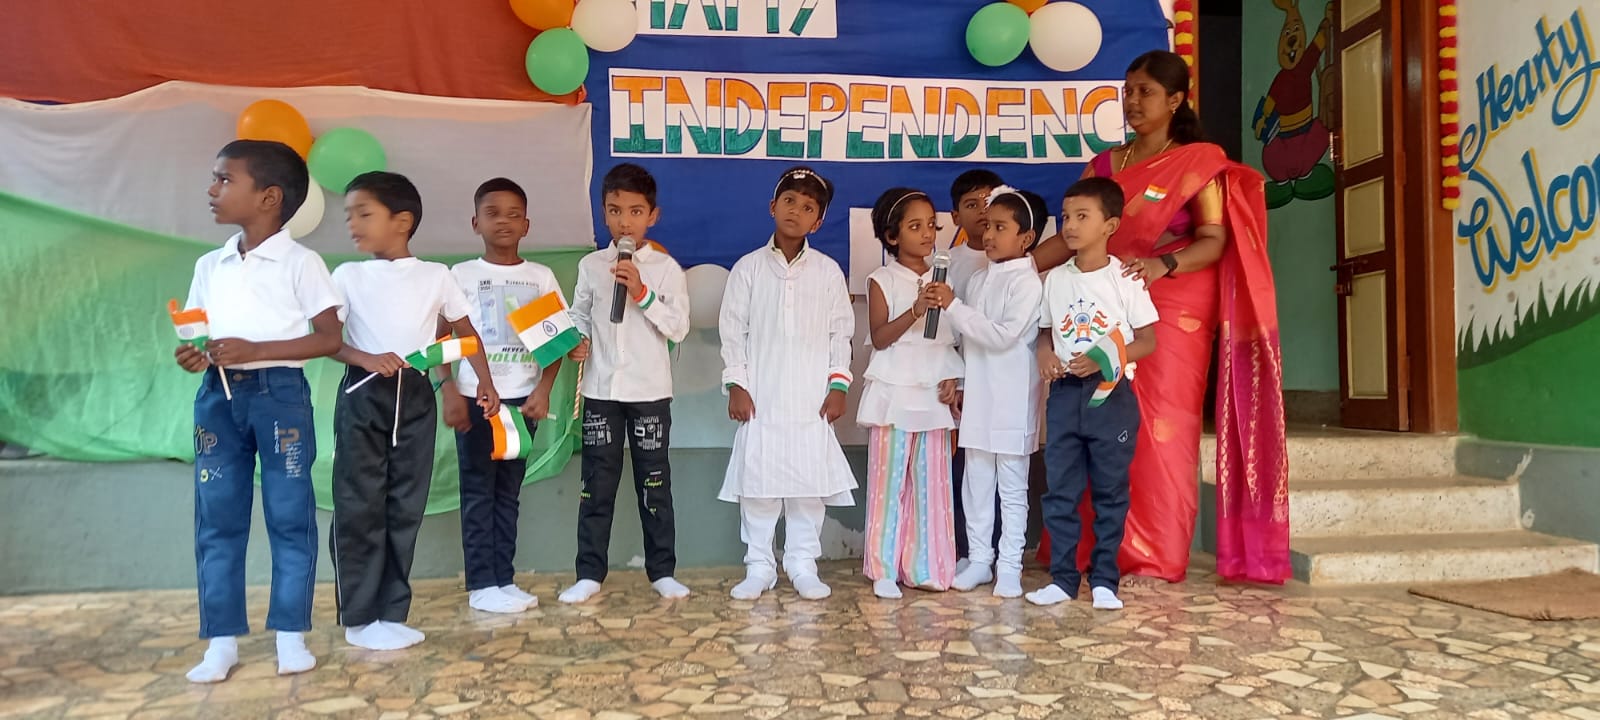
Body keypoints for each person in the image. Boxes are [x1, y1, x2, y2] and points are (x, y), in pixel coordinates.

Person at [1031, 50, 1289, 584]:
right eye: (1127, 90)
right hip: (1098, 301)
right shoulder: (1104, 165)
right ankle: (1090, 551)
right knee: (1093, 416)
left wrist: (1161, 265)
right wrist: (1014, 271)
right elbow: (1073, 236)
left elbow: (1214, 240)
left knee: (1162, 427)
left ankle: (1155, 555)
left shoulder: (1198, 162)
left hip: (1172, 302)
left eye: (1145, 91)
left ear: (1175, 100)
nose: (1132, 101)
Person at [178, 139, 342, 683]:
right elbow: (199, 334)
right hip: (218, 397)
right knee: (217, 518)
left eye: (225, 179)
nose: (212, 189)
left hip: (280, 398)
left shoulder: (302, 262)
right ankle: (221, 642)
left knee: (290, 515)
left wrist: (257, 350)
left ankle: (290, 635)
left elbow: (328, 337)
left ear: (269, 197)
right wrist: (193, 355)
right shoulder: (210, 264)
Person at [330, 171, 500, 650]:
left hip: (417, 395)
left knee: (405, 504)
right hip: (364, 393)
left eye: (364, 213)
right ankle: (359, 619)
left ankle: (391, 613)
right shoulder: (347, 276)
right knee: (360, 504)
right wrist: (366, 358)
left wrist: (485, 384)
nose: (352, 224)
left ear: (402, 221)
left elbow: (465, 333)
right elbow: (325, 340)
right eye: (349, 215)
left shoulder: (437, 276)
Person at [719, 166, 856, 601]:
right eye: (790, 201)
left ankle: (802, 564)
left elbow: (841, 333)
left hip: (811, 398)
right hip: (762, 394)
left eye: (808, 207)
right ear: (772, 207)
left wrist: (839, 386)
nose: (796, 211)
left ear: (818, 221)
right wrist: (736, 384)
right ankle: (759, 565)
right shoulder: (748, 269)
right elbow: (732, 331)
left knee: (807, 485)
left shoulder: (828, 272)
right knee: (759, 484)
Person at [559, 163, 693, 604]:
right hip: (601, 392)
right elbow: (580, 314)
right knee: (595, 485)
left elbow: (678, 327)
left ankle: (663, 571)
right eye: (615, 211)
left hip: (649, 393)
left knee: (654, 485)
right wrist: (577, 339)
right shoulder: (591, 265)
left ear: (652, 216)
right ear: (603, 212)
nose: (624, 222)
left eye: (635, 212)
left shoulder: (666, 269)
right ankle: (589, 574)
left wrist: (641, 292)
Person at [1029, 177, 1158, 609]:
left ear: (1110, 225)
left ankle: (1104, 580)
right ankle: (1063, 580)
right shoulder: (1054, 280)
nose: (1069, 225)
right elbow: (1045, 332)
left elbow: (1148, 340)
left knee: (1110, 491)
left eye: (1082, 216)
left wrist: (1105, 360)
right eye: (1066, 217)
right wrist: (1045, 353)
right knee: (1060, 491)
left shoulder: (1125, 278)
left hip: (1111, 396)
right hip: (1065, 395)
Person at [438, 178, 563, 614]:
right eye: (492, 213)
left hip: (522, 401)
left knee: (508, 493)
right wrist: (448, 388)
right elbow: (441, 338)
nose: (504, 222)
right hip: (476, 400)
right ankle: (481, 585)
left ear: (527, 225)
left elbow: (556, 343)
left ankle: (503, 579)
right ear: (475, 223)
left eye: (514, 214)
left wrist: (543, 391)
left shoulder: (539, 277)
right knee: (478, 492)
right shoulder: (460, 276)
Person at [927, 186, 1045, 599]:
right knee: (976, 482)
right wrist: (959, 381)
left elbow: (1001, 336)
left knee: (1011, 487)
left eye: (1000, 227)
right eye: (987, 226)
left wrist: (953, 306)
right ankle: (980, 559)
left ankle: (1009, 566)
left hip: (1012, 398)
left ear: (1026, 238)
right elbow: (966, 340)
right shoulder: (978, 279)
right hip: (978, 398)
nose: (989, 234)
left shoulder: (1027, 284)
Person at [857, 187, 964, 599]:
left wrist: (954, 378)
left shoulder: (947, 279)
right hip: (894, 394)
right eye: (915, 226)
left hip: (933, 395)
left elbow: (951, 340)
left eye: (931, 225)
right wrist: (916, 310)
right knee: (889, 485)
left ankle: (927, 566)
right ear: (892, 235)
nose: (927, 234)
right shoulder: (882, 279)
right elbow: (880, 337)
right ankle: (883, 568)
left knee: (931, 484)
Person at [944, 169, 1004, 569]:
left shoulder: (1016, 263)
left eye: (989, 202)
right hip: (963, 382)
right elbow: (946, 330)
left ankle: (999, 551)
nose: (982, 211)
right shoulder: (950, 264)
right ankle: (965, 549)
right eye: (971, 204)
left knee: (1004, 468)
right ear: (955, 217)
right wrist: (956, 376)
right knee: (963, 468)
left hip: (1003, 380)